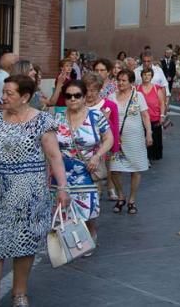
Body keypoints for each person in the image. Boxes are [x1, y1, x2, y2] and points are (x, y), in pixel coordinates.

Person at [0, 74, 70, 306]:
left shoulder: (41, 121)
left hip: (31, 194)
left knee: (24, 244)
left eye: (9, 93)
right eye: (3, 92)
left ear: (25, 97)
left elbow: (54, 156)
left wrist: (62, 188)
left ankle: (19, 293)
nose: (3, 97)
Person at [52, 81, 113, 250]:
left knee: (87, 209)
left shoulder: (95, 116)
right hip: (62, 171)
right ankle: (71, 242)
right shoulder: (56, 118)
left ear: (84, 97)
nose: (73, 99)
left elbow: (109, 138)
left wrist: (97, 156)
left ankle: (90, 234)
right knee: (64, 208)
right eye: (68, 96)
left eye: (77, 95)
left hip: (87, 169)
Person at [110, 70, 153, 215]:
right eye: (119, 80)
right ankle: (121, 195)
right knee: (115, 169)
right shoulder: (112, 96)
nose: (120, 83)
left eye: (124, 81)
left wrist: (149, 133)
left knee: (136, 169)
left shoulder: (138, 96)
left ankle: (132, 200)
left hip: (135, 138)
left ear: (131, 82)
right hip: (117, 139)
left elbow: (145, 115)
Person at [82, 74, 119, 200]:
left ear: (99, 90)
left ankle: (100, 195)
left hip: (102, 148)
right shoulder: (78, 104)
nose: (89, 93)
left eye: (93, 90)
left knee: (99, 175)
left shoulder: (110, 105)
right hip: (83, 149)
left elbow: (115, 129)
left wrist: (114, 149)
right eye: (86, 89)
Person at [137, 68, 166, 161]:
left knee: (156, 138)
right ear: (141, 76)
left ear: (152, 76)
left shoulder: (156, 88)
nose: (146, 77)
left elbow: (162, 103)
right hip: (141, 118)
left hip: (155, 117)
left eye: (149, 75)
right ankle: (145, 156)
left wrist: (162, 116)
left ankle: (155, 155)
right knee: (143, 137)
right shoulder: (137, 88)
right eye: (145, 74)